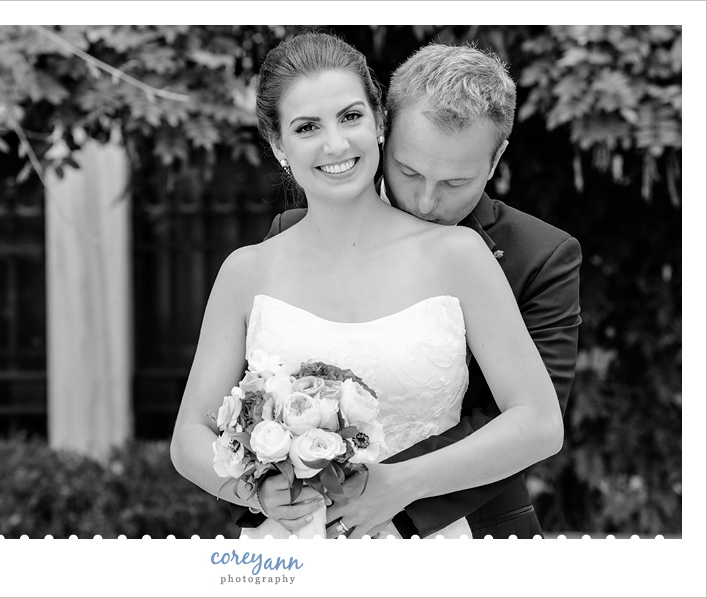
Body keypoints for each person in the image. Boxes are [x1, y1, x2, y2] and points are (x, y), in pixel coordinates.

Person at [170, 32, 565, 539]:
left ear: (380, 122)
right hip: (289, 552)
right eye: (307, 126)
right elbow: (188, 439)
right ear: (277, 145)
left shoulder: (459, 256)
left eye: (350, 116)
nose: (335, 143)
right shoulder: (246, 271)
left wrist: (401, 484)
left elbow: (537, 422)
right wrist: (255, 487)